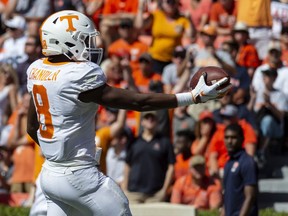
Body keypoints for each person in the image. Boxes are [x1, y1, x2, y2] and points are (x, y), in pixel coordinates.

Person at [26, 10, 231, 215]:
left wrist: (58, 154)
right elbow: (138, 102)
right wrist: (192, 97)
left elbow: (31, 127)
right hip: (79, 176)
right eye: (84, 39)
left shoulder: (37, 70)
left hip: (49, 174)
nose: (91, 45)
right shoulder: (77, 75)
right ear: (66, 41)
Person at [122, 111, 175, 203]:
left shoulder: (165, 142)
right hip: (134, 193)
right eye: (147, 118)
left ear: (157, 122)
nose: (150, 120)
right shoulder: (134, 142)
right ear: (142, 122)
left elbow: (171, 166)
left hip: (155, 195)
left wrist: (164, 190)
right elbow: (127, 165)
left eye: (153, 118)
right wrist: (125, 189)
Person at [221, 123, 258, 216]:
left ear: (242, 139)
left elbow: (250, 197)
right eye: (226, 137)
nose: (229, 141)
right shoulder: (228, 163)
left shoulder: (247, 162)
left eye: (233, 137)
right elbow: (227, 197)